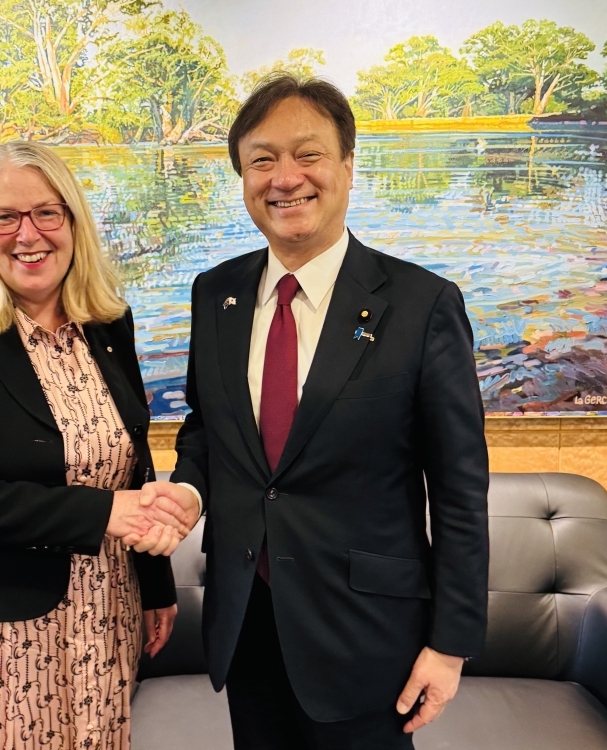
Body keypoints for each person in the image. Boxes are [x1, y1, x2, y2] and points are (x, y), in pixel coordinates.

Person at [145, 74, 490, 749]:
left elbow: (457, 491)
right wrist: (189, 488)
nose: (286, 178)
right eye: (262, 159)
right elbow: (209, 429)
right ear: (242, 176)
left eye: (309, 154)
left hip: (366, 633)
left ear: (348, 168)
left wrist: (450, 646)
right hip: (247, 621)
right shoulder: (215, 295)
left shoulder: (422, 305)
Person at [0, 140, 192, 750]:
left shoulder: (108, 325)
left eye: (47, 213)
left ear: (73, 222)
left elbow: (133, 458)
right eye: (6, 217)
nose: (28, 234)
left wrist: (155, 585)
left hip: (102, 619)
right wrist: (104, 512)